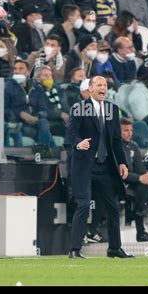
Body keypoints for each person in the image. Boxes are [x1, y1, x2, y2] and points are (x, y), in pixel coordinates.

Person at [66, 75, 131, 259]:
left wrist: (123, 162)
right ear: (91, 89)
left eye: (105, 85)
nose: (103, 88)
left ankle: (114, 248)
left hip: (105, 165)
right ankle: (74, 249)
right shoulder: (79, 108)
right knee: (84, 205)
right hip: (84, 164)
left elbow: (116, 141)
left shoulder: (112, 109)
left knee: (113, 206)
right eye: (99, 85)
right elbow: (70, 134)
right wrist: (79, 143)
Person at [29, 65, 69, 146]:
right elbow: (42, 110)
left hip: (59, 122)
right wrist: (59, 114)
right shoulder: (35, 90)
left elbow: (65, 108)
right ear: (37, 78)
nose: (49, 78)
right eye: (45, 76)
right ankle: (48, 151)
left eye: (50, 75)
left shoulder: (58, 90)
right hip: (46, 121)